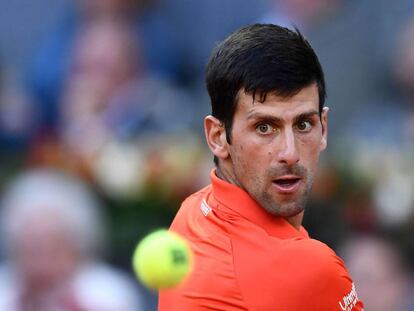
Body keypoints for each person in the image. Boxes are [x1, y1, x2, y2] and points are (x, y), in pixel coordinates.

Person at [158, 24, 364, 310]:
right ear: (218, 137)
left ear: (324, 128)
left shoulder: (192, 213)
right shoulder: (312, 269)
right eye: (265, 127)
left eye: (304, 124)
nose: (290, 153)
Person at [0, 168, 144, 310]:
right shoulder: (5, 291)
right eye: (33, 247)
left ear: (77, 246)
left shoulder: (108, 292)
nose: (42, 261)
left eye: (54, 246)